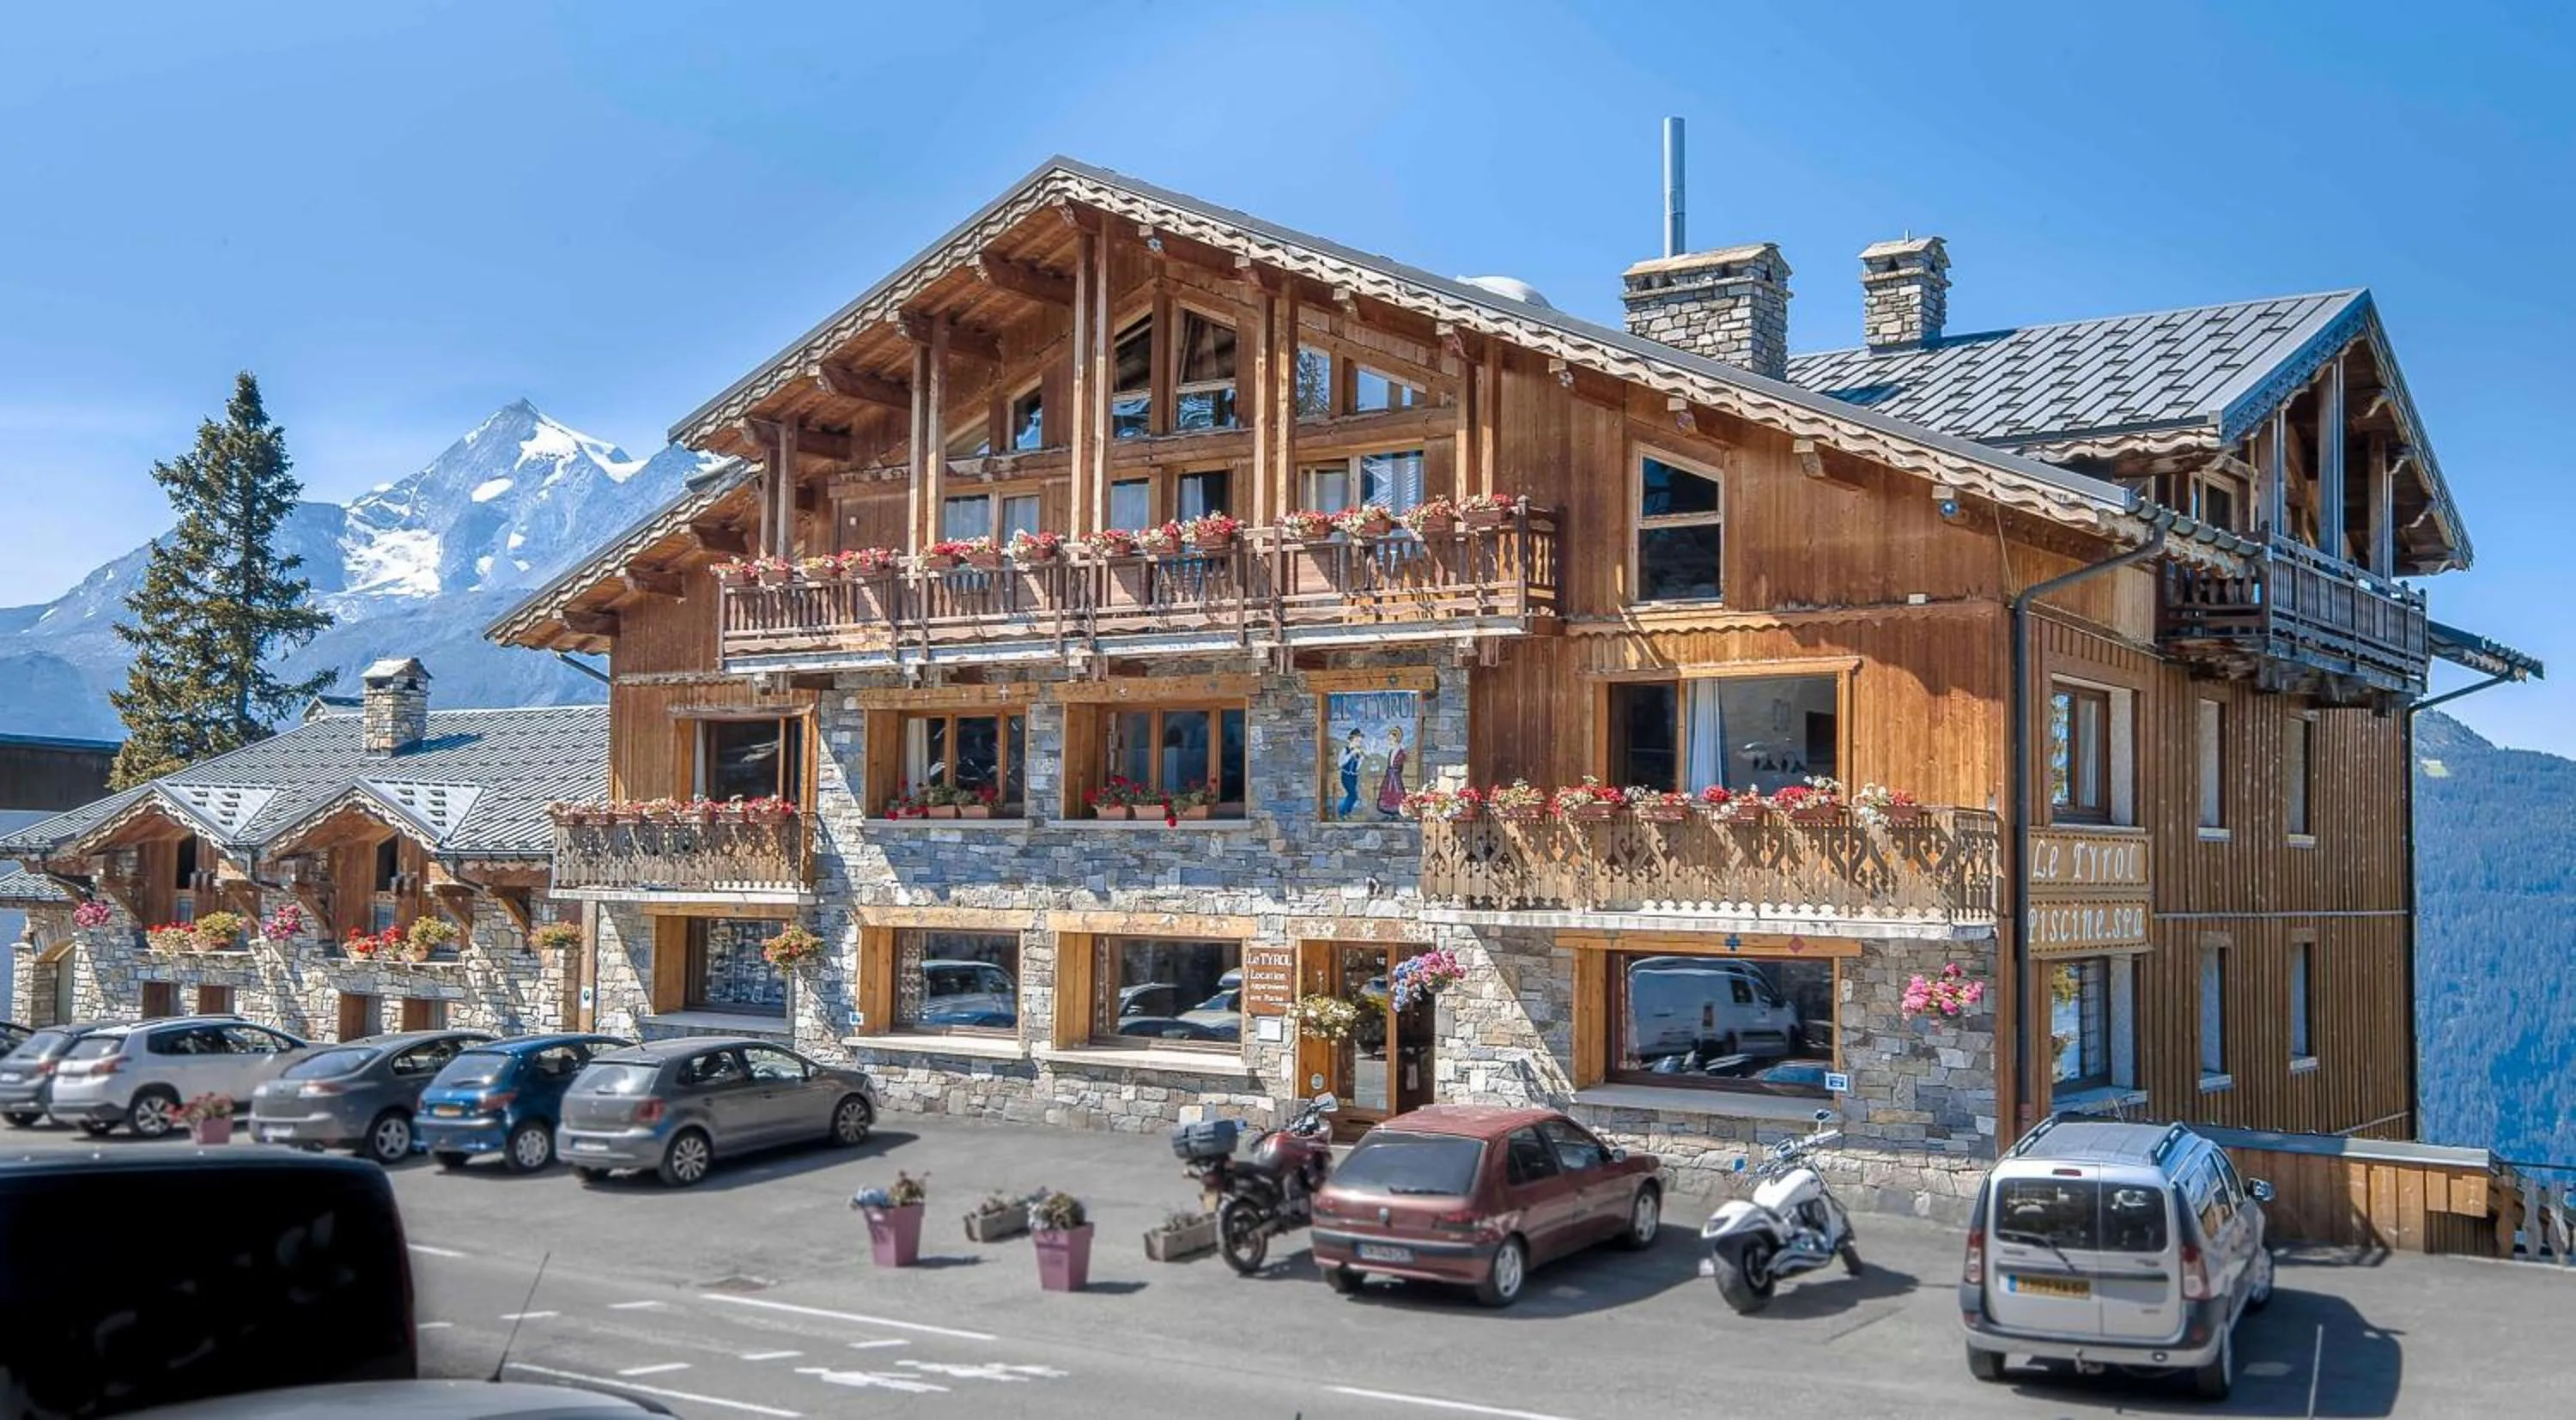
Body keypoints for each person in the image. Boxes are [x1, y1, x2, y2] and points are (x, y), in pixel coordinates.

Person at [1375, 725, 1409, 818]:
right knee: (1387, 794)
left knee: (1396, 793)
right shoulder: (1391, 752)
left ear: (1396, 739)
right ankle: (1389, 814)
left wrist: (1395, 773)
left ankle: (1396, 812)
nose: (1389, 741)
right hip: (1389, 775)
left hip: (1396, 777)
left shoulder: (1401, 752)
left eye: (1391, 739)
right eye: (1389, 739)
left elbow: (1400, 766)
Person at [1336, 729, 1365, 819]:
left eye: (1360, 741)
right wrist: (1351, 754)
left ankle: (1347, 813)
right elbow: (1340, 764)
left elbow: (1356, 768)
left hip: (1354, 777)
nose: (1359, 743)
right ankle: (1341, 812)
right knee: (1353, 795)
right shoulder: (1345, 750)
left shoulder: (1358, 752)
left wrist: (1361, 759)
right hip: (1346, 775)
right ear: (1352, 740)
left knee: (1352, 795)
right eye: (1357, 741)